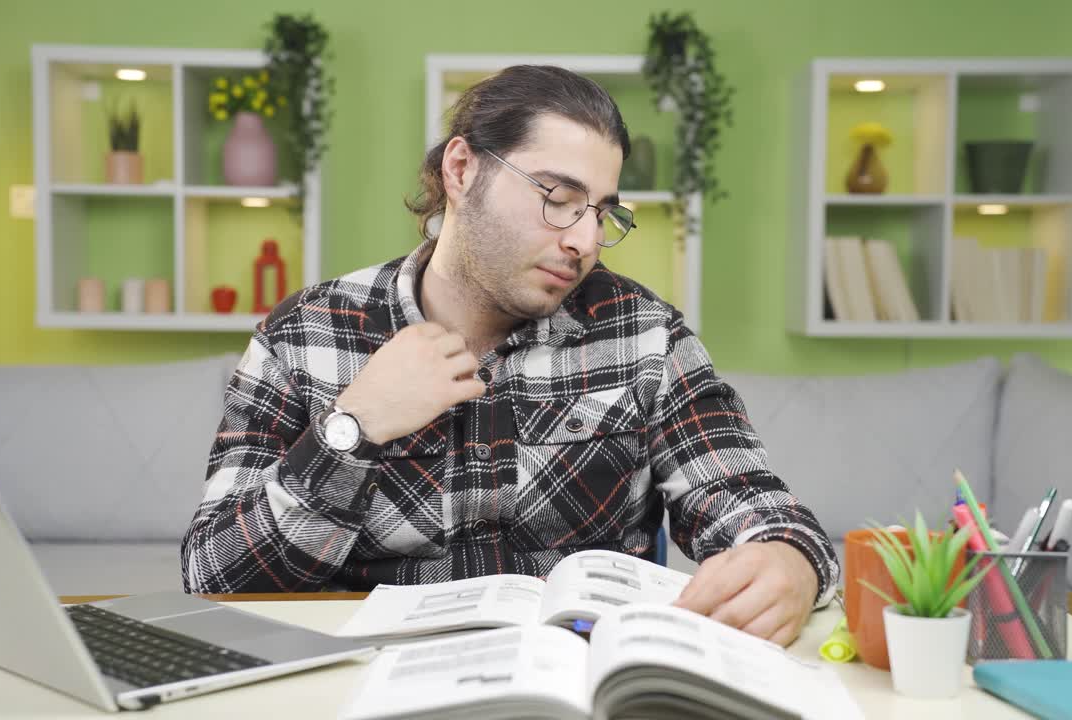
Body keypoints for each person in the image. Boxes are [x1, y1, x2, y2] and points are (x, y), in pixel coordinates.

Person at [181, 65, 839, 646]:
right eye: (558, 199)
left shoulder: (645, 334)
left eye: (602, 212)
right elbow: (214, 577)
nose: (585, 241)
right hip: (366, 686)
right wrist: (351, 431)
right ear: (463, 170)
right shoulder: (305, 332)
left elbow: (745, 496)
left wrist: (791, 560)